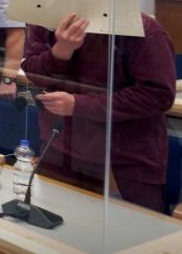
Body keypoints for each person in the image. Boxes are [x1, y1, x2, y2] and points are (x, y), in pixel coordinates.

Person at [22, 12, 176, 213]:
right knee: (54, 232)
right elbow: (35, 74)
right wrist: (61, 51)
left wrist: (80, 105)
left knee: (131, 238)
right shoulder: (46, 19)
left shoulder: (142, 28)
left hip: (122, 160)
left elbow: (157, 95)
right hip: (60, 150)